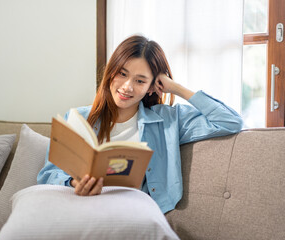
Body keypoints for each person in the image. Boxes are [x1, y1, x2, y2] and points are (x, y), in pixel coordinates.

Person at [37, 35, 243, 214]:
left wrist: (177, 88)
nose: (127, 87)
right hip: (81, 207)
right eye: (122, 74)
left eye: (140, 81)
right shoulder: (78, 118)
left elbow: (230, 121)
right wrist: (74, 183)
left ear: (153, 86)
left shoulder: (168, 121)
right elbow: (47, 175)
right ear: (111, 72)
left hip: (134, 212)